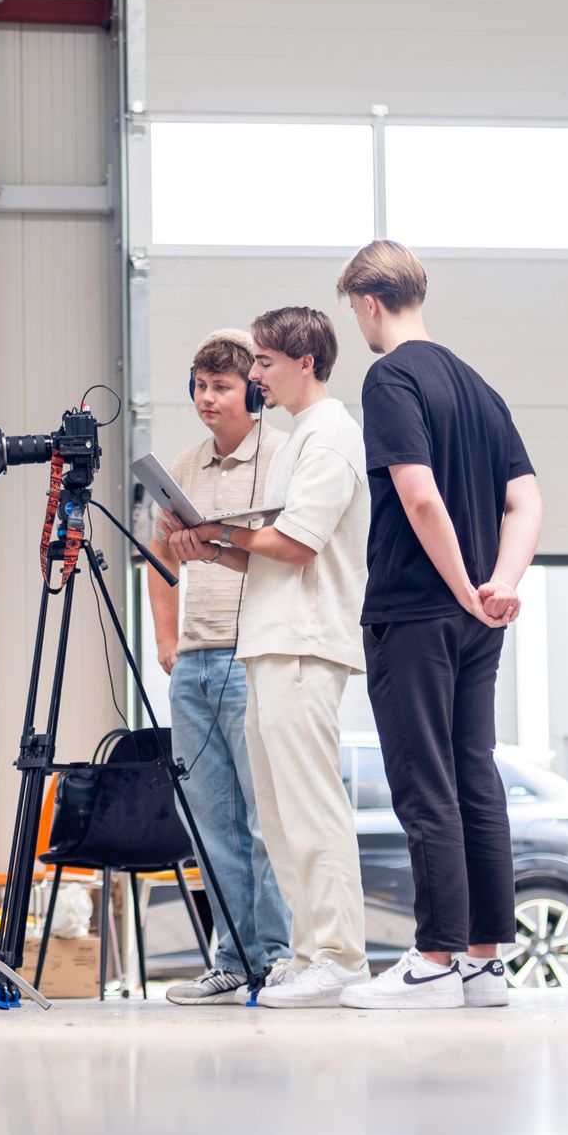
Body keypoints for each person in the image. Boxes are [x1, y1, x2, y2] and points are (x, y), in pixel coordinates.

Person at [333, 240, 544, 1011]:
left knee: (427, 787)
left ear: (367, 302)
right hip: (478, 620)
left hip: (417, 613)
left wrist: (460, 588)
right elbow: (527, 501)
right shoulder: (480, 388)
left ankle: (432, 960)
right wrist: (498, 585)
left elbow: (420, 498)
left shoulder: (389, 377)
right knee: (474, 778)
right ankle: (485, 965)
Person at [163, 307, 371, 1009]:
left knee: (311, 811)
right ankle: (310, 955)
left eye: (263, 363)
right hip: (270, 642)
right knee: (280, 820)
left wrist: (217, 527)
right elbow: (267, 555)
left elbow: (297, 544)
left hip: (306, 645)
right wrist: (211, 547)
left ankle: (339, 956)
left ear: (304, 363)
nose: (254, 375)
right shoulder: (300, 442)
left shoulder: (331, 436)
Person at [147, 330, 294, 1005]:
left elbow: (292, 549)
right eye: (201, 386)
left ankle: (283, 958)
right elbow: (161, 560)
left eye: (222, 387)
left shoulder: (281, 459)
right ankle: (232, 960)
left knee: (267, 821)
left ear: (251, 391)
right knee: (213, 826)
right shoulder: (183, 465)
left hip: (252, 656)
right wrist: (168, 640)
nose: (208, 398)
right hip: (194, 667)